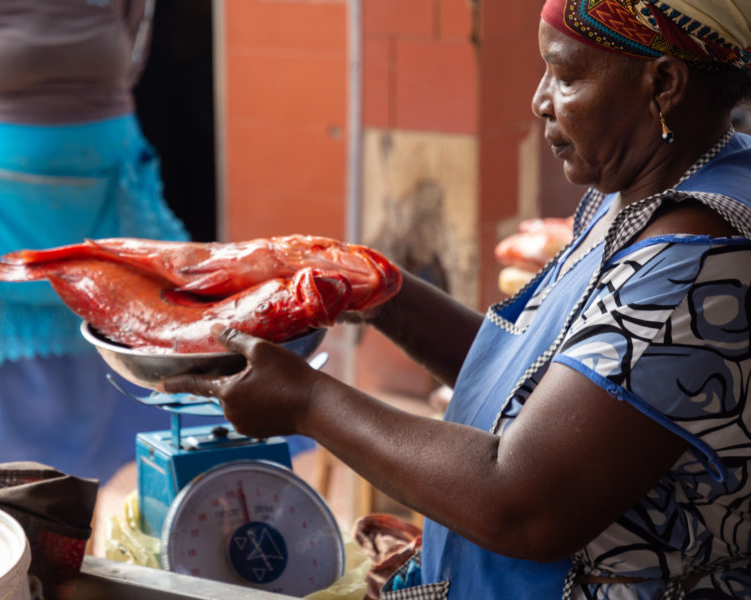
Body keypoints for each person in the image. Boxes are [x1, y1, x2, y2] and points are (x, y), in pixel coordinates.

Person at [161, 1, 751, 598]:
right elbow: (551, 392)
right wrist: (381, 291)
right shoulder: (637, 191)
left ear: (665, 85)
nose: (540, 100)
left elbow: (523, 504)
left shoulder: (699, 260)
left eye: (566, 77)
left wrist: (307, 403)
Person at [0, 0, 228, 485]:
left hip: (104, 184)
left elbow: (133, 42)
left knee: (110, 379)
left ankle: (73, 536)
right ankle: (9, 536)